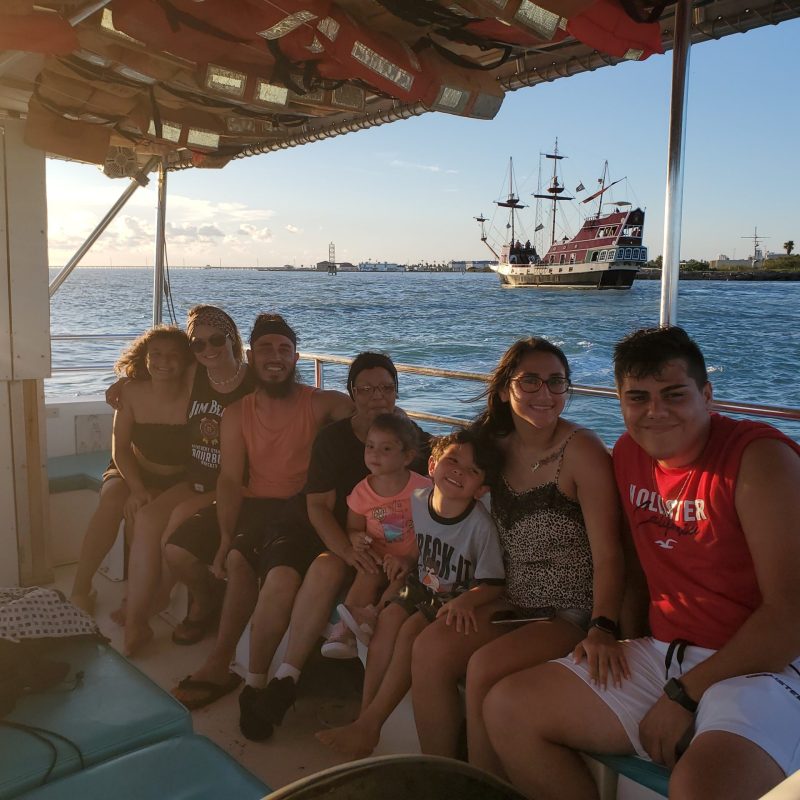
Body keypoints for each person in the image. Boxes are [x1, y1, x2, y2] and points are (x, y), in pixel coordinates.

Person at [483, 326, 800, 800]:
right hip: (663, 651)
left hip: (764, 668)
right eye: (638, 398)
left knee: (700, 787)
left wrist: (686, 694)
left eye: (674, 395)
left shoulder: (759, 460)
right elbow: (628, 563)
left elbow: (791, 615)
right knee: (508, 708)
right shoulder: (630, 455)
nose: (655, 412)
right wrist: (607, 629)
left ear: (707, 395)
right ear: (619, 401)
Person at [410, 337, 626, 765]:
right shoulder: (493, 444)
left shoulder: (582, 451)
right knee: (429, 647)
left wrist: (603, 626)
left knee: (484, 668)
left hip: (569, 610)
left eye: (556, 382)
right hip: (510, 596)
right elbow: (443, 469)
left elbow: (610, 554)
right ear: (506, 385)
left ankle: (483, 786)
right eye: (530, 381)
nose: (544, 394)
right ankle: (441, 777)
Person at [170, 313, 353, 723]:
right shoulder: (237, 412)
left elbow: (369, 416)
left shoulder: (319, 402)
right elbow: (231, 479)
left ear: (296, 357)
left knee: (238, 561)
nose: (276, 357)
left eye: (284, 349)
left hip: (298, 509)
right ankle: (207, 607)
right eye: (266, 349)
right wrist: (221, 535)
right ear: (251, 356)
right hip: (254, 504)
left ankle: (221, 665)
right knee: (177, 549)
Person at [316, 427, 505, 760]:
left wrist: (467, 601)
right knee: (387, 622)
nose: (460, 470)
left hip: (454, 597)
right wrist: (406, 559)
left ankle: (371, 724)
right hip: (424, 583)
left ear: (482, 490)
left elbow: (493, 583)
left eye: (473, 470)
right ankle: (364, 719)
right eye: (453, 460)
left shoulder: (480, 527)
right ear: (432, 466)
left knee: (408, 636)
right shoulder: (420, 501)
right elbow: (423, 545)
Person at [123, 305, 254, 653]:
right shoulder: (195, 373)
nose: (208, 349)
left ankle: (177, 601)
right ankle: (136, 620)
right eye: (198, 344)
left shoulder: (252, 380)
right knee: (148, 516)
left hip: (234, 483)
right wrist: (121, 383)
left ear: (232, 338)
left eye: (216, 340)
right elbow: (155, 373)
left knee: (173, 529)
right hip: (195, 477)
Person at [70, 326, 194, 617]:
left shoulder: (195, 394)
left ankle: (138, 594)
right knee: (113, 501)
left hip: (179, 478)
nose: (164, 362)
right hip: (132, 468)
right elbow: (120, 448)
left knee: (143, 514)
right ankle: (81, 588)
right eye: (156, 355)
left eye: (174, 355)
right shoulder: (130, 392)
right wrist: (137, 488)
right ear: (145, 358)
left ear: (188, 361)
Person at [320, 413, 431, 658]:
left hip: (411, 560)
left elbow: (432, 530)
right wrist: (355, 538)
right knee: (367, 574)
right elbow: (353, 528)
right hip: (378, 555)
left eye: (386, 448)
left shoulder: (424, 489)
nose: (374, 454)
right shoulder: (362, 492)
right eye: (370, 446)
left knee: (401, 581)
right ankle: (345, 628)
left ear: (408, 457)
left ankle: (374, 613)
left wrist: (409, 560)